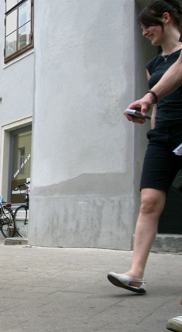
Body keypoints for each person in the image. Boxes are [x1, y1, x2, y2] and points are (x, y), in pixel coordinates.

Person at [107, 0, 182, 299]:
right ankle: (135, 275)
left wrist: (149, 96)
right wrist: (149, 118)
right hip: (162, 136)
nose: (143, 33)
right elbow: (158, 103)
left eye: (147, 26)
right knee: (149, 200)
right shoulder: (154, 64)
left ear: (166, 18)